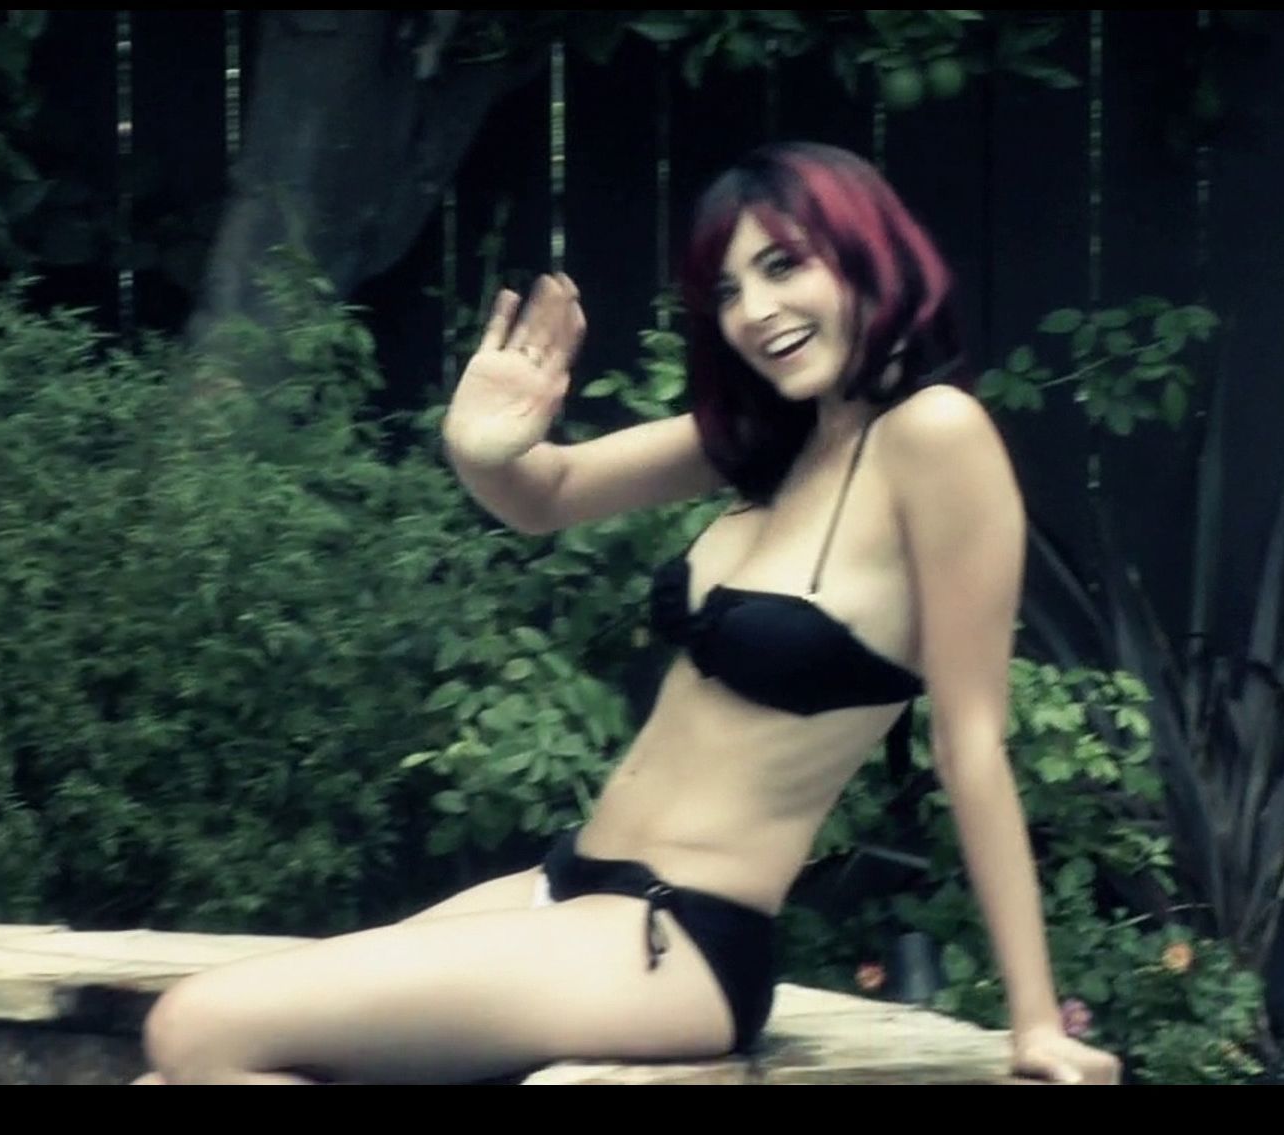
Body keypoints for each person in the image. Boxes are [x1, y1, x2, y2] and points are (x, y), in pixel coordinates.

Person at [136, 140, 1122, 1086]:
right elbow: (547, 493)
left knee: (198, 1027)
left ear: (867, 252)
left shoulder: (935, 436)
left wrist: (1034, 1020)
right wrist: (479, 445)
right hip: (568, 891)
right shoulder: (774, 437)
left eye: (784, 266)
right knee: (174, 1070)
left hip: (674, 941)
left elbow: (969, 743)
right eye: (728, 290)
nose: (755, 310)